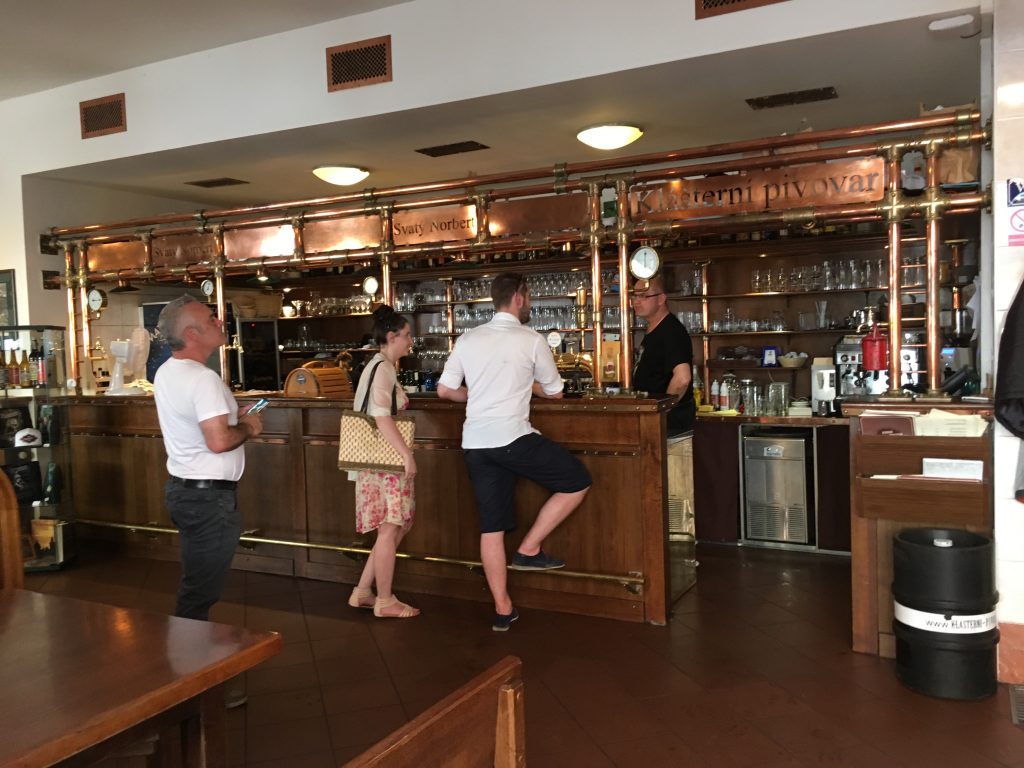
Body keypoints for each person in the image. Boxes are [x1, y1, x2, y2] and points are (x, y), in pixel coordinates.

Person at [438, 272, 591, 631]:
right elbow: (556, 392)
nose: (530, 303)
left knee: (491, 527)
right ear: (519, 298)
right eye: (529, 296)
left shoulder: (468, 339)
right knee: (577, 481)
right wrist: (532, 386)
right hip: (512, 438)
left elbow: (445, 390)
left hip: (475, 443)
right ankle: (529, 549)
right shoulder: (531, 339)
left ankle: (503, 609)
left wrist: (477, 395)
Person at [154, 295, 264, 624]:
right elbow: (218, 442)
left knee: (197, 580)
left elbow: (195, 422)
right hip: (208, 500)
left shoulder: (167, 372)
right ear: (192, 334)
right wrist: (249, 426)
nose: (219, 321)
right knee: (199, 591)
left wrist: (230, 415)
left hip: (185, 491)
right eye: (210, 320)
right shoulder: (204, 379)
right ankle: (188, 651)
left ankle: (191, 645)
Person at [347, 305, 420, 619]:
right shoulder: (384, 368)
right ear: (391, 337)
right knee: (391, 529)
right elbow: (381, 416)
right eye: (406, 335)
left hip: (374, 462)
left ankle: (364, 591)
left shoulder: (377, 366)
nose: (410, 341)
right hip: (385, 465)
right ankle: (386, 600)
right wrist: (406, 454)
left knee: (390, 529)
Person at [631, 275, 695, 434]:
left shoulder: (671, 331)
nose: (636, 301)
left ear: (661, 299)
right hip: (654, 420)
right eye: (634, 295)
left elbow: (682, 379)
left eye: (643, 296)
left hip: (669, 425)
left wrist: (662, 410)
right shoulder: (655, 328)